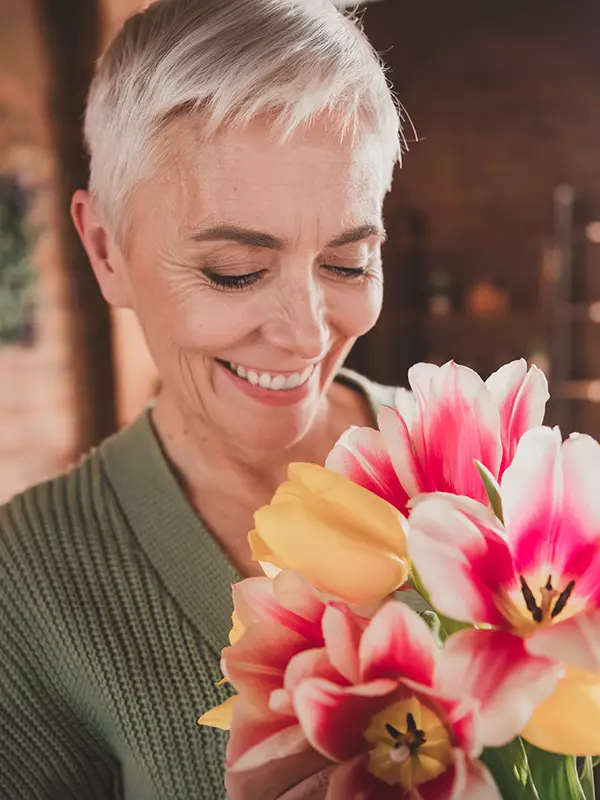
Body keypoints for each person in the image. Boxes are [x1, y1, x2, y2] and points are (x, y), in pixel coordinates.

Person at [0, 0, 403, 797]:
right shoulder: (29, 579)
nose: (305, 334)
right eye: (235, 271)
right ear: (106, 250)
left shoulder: (497, 470)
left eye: (349, 262)